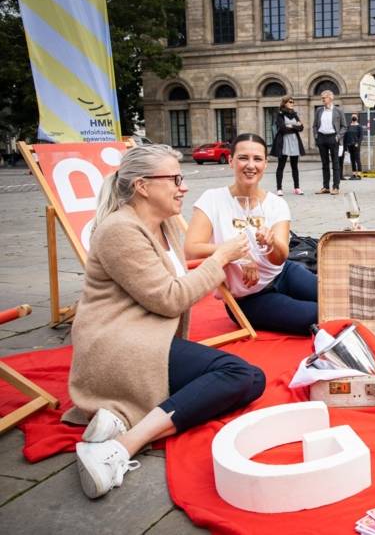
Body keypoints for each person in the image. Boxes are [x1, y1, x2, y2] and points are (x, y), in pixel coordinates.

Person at [67, 145, 266, 499]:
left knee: (251, 379)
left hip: (146, 337)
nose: (182, 186)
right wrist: (220, 258)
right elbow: (170, 298)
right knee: (242, 376)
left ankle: (121, 416)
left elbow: (177, 281)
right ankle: (122, 445)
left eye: (181, 177)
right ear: (142, 186)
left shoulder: (166, 224)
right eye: (174, 178)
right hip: (115, 345)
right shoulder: (119, 230)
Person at [186, 133, 318, 334]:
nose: (250, 165)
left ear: (265, 164)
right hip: (248, 298)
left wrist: (271, 244)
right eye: (243, 158)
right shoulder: (212, 199)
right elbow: (191, 251)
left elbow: (279, 258)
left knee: (338, 300)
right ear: (231, 161)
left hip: (283, 273)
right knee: (315, 315)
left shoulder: (276, 204)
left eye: (257, 159)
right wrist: (239, 255)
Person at [312, 89, 347, 194]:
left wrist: (338, 136)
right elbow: (314, 125)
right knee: (324, 163)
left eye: (324, 98)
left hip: (333, 138)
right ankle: (326, 187)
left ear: (331, 98)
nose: (322, 99)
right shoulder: (319, 110)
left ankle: (336, 187)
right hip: (321, 138)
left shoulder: (338, 111)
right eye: (322, 98)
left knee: (335, 163)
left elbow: (344, 126)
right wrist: (316, 136)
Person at [270, 95, 305, 196]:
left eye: (293, 102)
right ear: (285, 103)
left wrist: (291, 126)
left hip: (294, 142)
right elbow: (282, 128)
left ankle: (297, 188)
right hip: (284, 142)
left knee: (295, 166)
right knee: (281, 166)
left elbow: (301, 127)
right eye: (290, 102)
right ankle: (279, 188)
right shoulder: (280, 114)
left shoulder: (294, 114)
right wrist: (295, 126)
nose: (292, 103)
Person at [342, 114, 363, 180]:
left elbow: (361, 137)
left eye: (355, 116)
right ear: (351, 118)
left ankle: (359, 175)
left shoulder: (359, 127)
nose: (354, 117)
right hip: (349, 145)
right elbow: (345, 136)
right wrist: (345, 146)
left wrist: (358, 144)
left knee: (357, 159)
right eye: (352, 116)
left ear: (357, 118)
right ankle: (354, 174)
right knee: (352, 160)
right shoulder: (348, 126)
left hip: (356, 145)